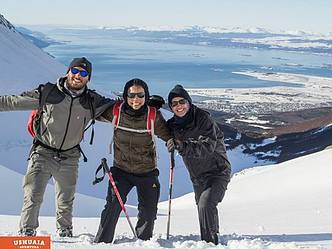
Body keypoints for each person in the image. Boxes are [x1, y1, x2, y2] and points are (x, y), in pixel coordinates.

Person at [0, 57, 113, 237]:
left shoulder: (92, 101)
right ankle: (27, 233)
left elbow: (118, 110)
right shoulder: (49, 93)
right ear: (68, 71)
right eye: (75, 71)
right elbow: (14, 101)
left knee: (66, 200)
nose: (78, 76)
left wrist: (144, 106)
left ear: (88, 78)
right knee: (32, 195)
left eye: (83, 73)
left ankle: (65, 233)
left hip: (70, 156)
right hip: (42, 152)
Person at [94, 78, 172, 243]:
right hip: (121, 170)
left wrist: (173, 141)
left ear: (146, 96)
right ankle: (101, 243)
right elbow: (94, 110)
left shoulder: (153, 116)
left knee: (149, 211)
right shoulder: (115, 111)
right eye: (131, 95)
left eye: (140, 95)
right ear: (125, 95)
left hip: (147, 172)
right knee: (112, 207)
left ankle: (143, 243)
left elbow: (167, 134)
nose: (135, 99)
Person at [166, 84, 231, 245]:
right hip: (197, 175)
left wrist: (182, 145)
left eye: (182, 101)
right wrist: (151, 108)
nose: (178, 106)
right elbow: (159, 128)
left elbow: (208, 146)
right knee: (202, 207)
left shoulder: (203, 118)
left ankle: (210, 243)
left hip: (218, 171)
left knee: (206, 204)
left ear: (189, 102)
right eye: (174, 103)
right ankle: (208, 239)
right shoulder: (173, 125)